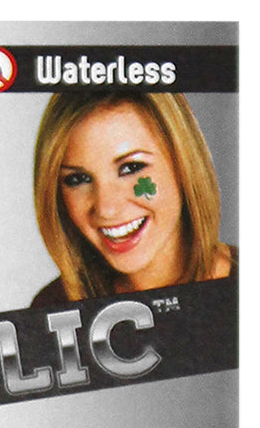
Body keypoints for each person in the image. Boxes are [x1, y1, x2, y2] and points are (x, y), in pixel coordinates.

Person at [32, 92, 233, 305]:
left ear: (183, 164)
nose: (106, 209)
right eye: (78, 179)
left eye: (131, 168)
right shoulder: (53, 306)